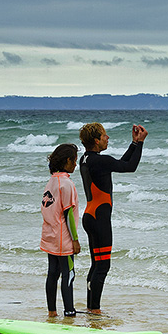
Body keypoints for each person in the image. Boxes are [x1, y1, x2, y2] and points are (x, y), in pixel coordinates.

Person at [79, 121, 147, 313]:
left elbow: (120, 164)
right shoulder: (100, 161)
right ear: (96, 140)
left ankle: (91, 308)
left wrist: (134, 144)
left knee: (96, 265)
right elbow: (130, 167)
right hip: (99, 219)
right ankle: (95, 310)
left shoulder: (85, 159)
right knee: (102, 267)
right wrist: (141, 143)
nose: (107, 138)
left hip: (90, 215)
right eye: (104, 135)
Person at [41, 143, 81, 316]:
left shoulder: (51, 181)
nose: (76, 164)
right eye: (74, 160)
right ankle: (69, 312)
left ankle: (52, 312)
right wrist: (75, 240)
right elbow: (68, 214)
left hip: (50, 234)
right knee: (69, 273)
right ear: (67, 160)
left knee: (52, 273)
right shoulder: (66, 184)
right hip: (63, 238)